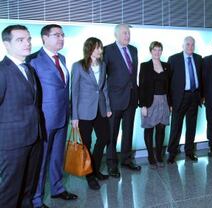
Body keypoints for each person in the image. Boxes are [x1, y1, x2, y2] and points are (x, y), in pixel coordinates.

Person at [27, 24, 77, 207]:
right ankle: (36, 199)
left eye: (62, 35)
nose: (61, 38)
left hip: (63, 117)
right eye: (57, 35)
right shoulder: (33, 60)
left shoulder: (62, 58)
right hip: (45, 119)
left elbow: (64, 89)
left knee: (57, 157)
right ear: (44, 38)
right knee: (41, 161)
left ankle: (57, 189)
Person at [0, 24, 43, 208]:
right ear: (6, 44)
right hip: (12, 143)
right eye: (20, 40)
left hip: (34, 138)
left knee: (28, 189)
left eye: (28, 39)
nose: (27, 43)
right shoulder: (2, 71)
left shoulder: (29, 69)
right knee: (10, 192)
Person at [71, 37, 111, 190]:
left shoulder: (103, 65)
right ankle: (89, 175)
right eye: (98, 47)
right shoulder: (78, 66)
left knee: (104, 138)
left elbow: (104, 88)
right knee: (86, 144)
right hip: (84, 111)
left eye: (101, 48)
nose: (101, 50)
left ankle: (95, 169)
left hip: (100, 109)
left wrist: (107, 107)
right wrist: (74, 116)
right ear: (90, 49)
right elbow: (74, 92)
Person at [104, 24, 140, 177]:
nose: (127, 36)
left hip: (131, 98)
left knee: (128, 130)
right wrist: (105, 102)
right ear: (116, 34)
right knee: (112, 133)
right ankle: (112, 164)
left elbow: (133, 75)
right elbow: (102, 77)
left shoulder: (133, 50)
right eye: (125, 33)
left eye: (129, 33)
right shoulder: (107, 50)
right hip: (114, 99)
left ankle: (126, 160)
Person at [166, 36, 202, 164]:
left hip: (194, 96)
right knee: (176, 126)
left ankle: (189, 151)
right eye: (188, 44)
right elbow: (168, 83)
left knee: (191, 126)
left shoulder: (198, 58)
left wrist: (201, 96)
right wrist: (169, 102)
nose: (190, 47)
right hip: (179, 98)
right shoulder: (174, 59)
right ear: (183, 45)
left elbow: (201, 78)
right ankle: (172, 153)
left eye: (192, 44)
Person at [139, 41, 171, 169]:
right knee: (149, 129)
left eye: (159, 50)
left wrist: (170, 104)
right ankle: (150, 157)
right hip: (149, 101)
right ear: (150, 51)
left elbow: (170, 87)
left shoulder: (167, 66)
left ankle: (158, 156)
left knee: (161, 129)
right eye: (155, 50)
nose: (157, 52)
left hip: (164, 100)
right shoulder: (145, 66)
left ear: (161, 51)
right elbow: (141, 87)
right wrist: (143, 105)